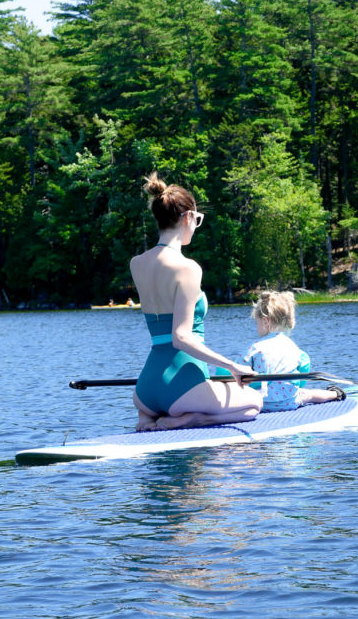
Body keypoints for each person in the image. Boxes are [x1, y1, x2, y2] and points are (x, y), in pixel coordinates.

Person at [129, 173, 263, 431]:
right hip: (181, 385)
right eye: (197, 219)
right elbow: (181, 338)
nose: (196, 225)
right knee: (254, 403)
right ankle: (193, 418)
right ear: (187, 217)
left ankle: (149, 418)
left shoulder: (137, 263)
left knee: (222, 390)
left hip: (145, 390)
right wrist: (233, 366)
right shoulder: (188, 268)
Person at [240, 290, 345, 412]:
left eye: (257, 323)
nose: (257, 328)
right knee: (308, 394)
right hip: (290, 402)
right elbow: (304, 370)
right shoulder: (293, 347)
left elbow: (237, 370)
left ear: (266, 321)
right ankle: (335, 394)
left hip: (260, 402)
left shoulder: (254, 347)